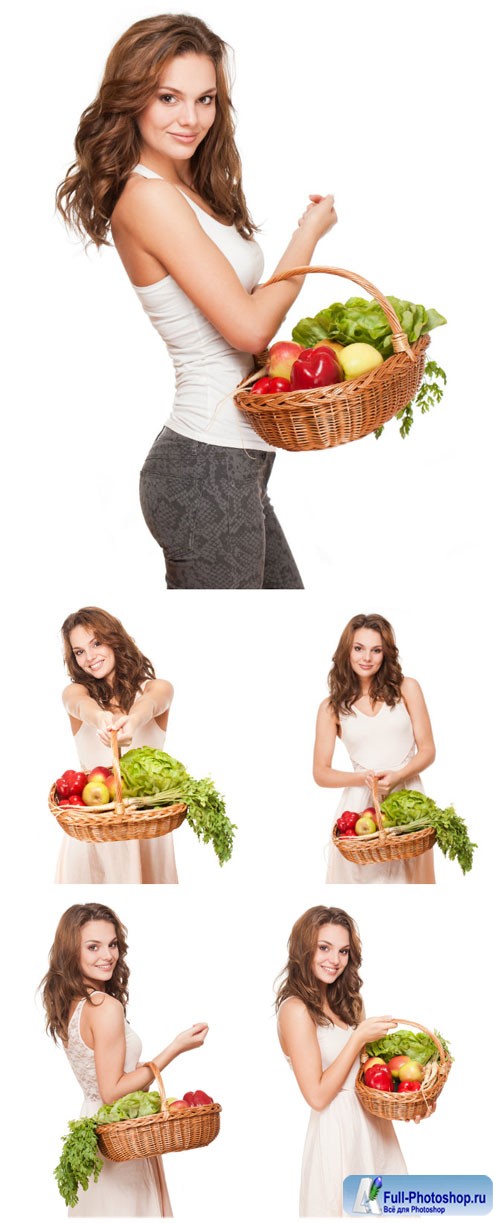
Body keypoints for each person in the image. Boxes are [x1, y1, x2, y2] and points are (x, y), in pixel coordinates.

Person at [55, 13, 337, 589]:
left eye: (205, 99)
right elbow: (249, 331)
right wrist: (307, 235)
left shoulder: (186, 187)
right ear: (131, 99)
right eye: (168, 97)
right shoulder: (147, 197)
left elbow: (242, 310)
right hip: (206, 467)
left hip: (237, 464)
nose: (191, 118)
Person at [41, 902, 209, 1217]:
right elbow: (113, 1091)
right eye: (93, 947)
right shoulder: (104, 1006)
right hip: (121, 1137)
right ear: (70, 952)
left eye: (113, 944)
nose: (107, 955)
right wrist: (175, 1047)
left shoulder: (72, 1004)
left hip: (96, 1131)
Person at [276, 905, 432, 1218]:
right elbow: (317, 1096)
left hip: (374, 1131)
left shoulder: (347, 1004)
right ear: (302, 948)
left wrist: (414, 1097)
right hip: (339, 1136)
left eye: (343, 951)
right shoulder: (295, 1010)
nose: (335, 960)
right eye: (324, 948)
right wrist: (358, 1038)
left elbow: (366, 1077)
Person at [55, 606, 177, 884]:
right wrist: (101, 719)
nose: (90, 657)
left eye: (96, 643)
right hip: (93, 828)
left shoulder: (156, 688)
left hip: (146, 827)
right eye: (79, 651)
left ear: (114, 639)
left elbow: (152, 703)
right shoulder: (77, 691)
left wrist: (131, 722)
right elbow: (80, 706)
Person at [313, 613, 436, 884]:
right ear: (347, 651)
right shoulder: (331, 707)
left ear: (385, 654)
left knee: (410, 881)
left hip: (407, 805)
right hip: (359, 809)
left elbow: (427, 750)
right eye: (359, 648)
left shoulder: (408, 689)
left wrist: (399, 776)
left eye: (376, 650)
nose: (366, 657)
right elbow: (321, 772)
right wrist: (362, 779)